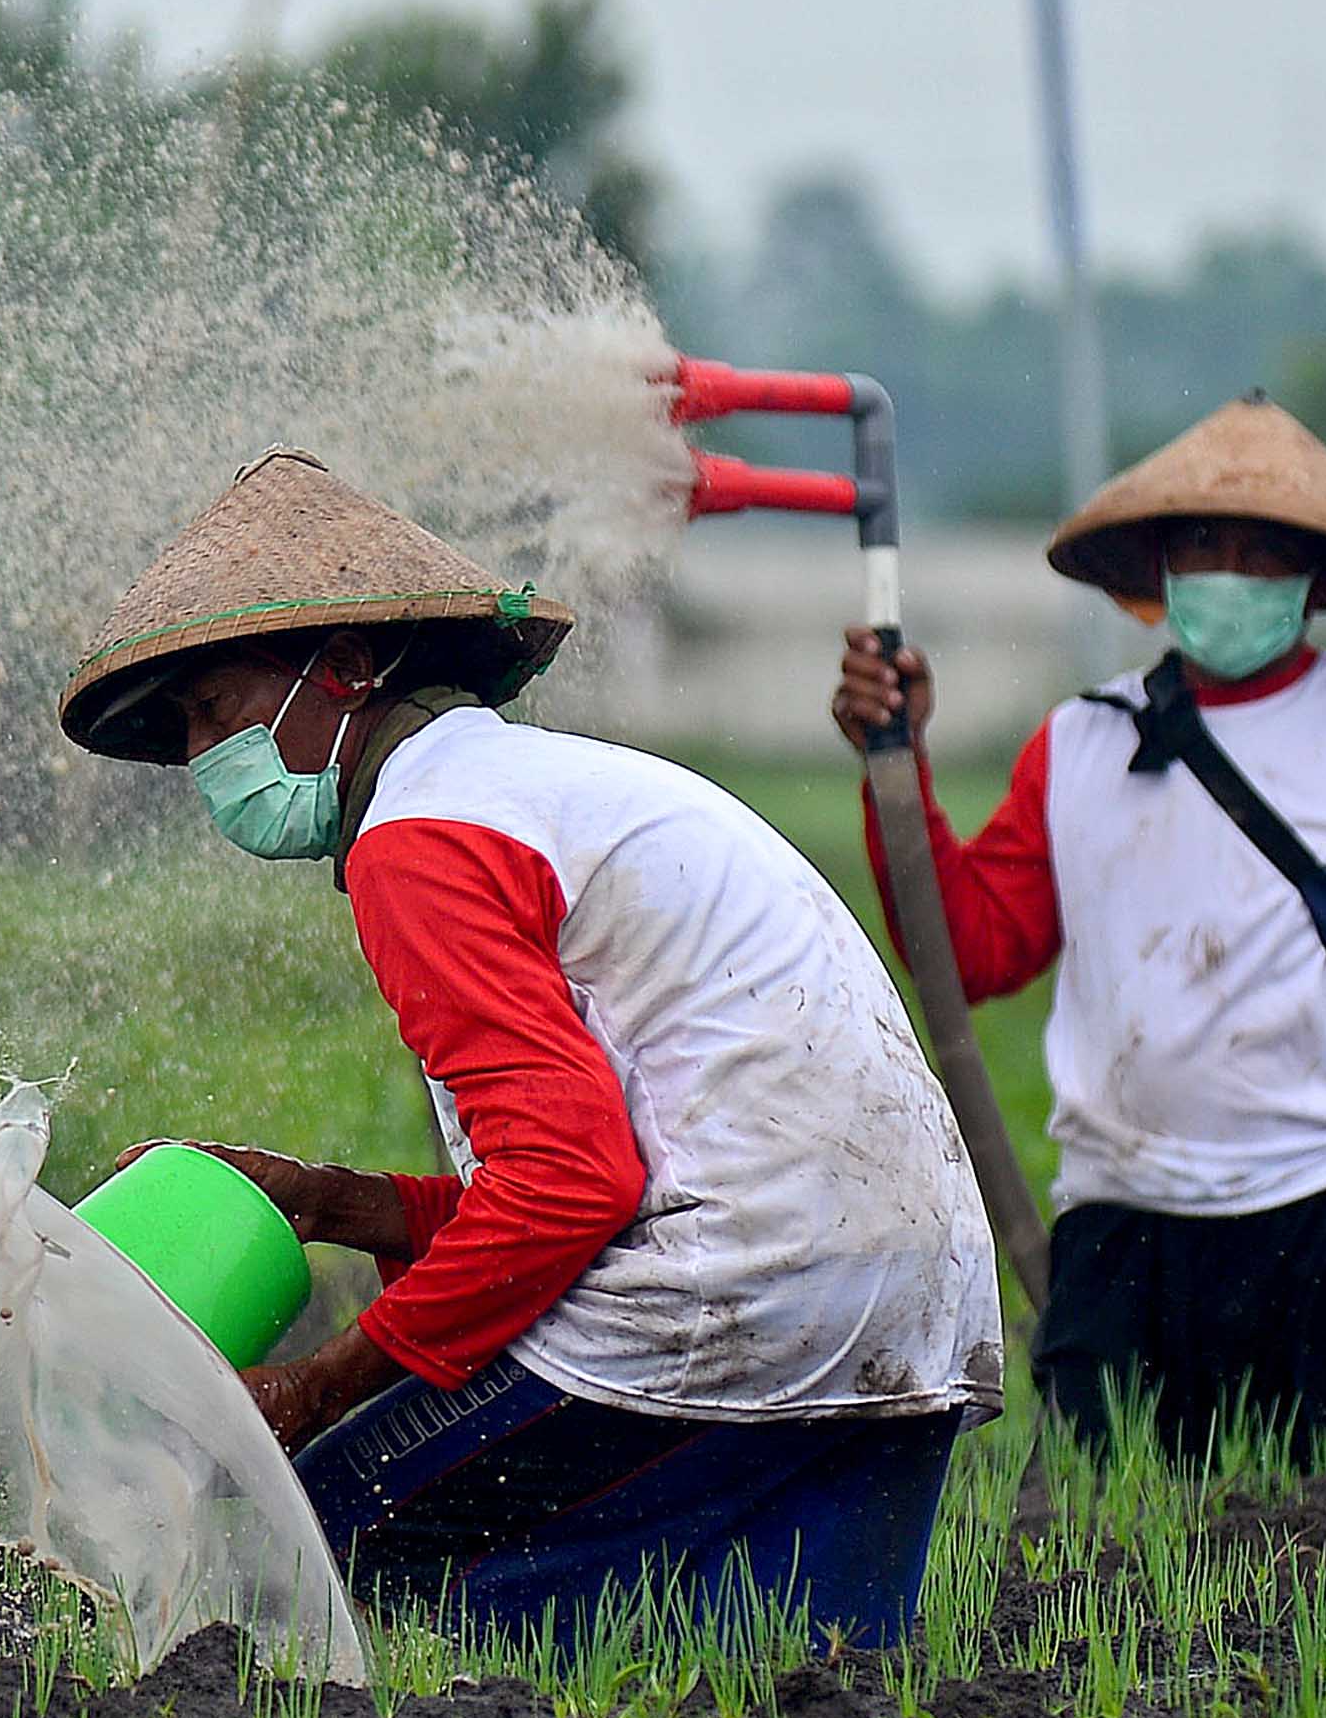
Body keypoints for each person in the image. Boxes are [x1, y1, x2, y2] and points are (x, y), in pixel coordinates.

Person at [62, 451, 1002, 1646]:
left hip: (734, 1284)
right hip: (903, 1286)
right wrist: (327, 1201)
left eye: (214, 709)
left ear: (345, 671)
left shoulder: (420, 836)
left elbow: (573, 1184)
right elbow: (590, 1179)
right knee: (799, 1669)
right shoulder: (537, 786)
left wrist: (312, 1388)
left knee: (313, 1559)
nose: (202, 755)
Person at [828, 392, 1326, 1453]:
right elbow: (970, 952)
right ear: (1159, 572)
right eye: (1202, 543)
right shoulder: (1079, 745)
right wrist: (895, 763)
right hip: (1123, 1222)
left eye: (1261, 550)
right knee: (1110, 1575)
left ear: (1314, 579)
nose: (1229, 571)